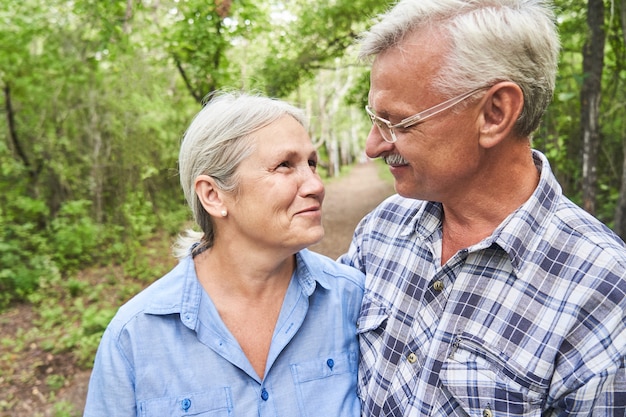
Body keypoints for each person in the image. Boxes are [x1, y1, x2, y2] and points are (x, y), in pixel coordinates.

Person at [339, 0, 626, 415]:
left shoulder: (603, 294)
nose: (373, 146)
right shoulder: (380, 228)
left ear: (495, 113)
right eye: (374, 118)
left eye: (398, 123)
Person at [84, 91, 364, 416]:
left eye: (311, 164)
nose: (316, 184)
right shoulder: (134, 337)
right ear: (214, 195)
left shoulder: (351, 300)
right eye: (285, 165)